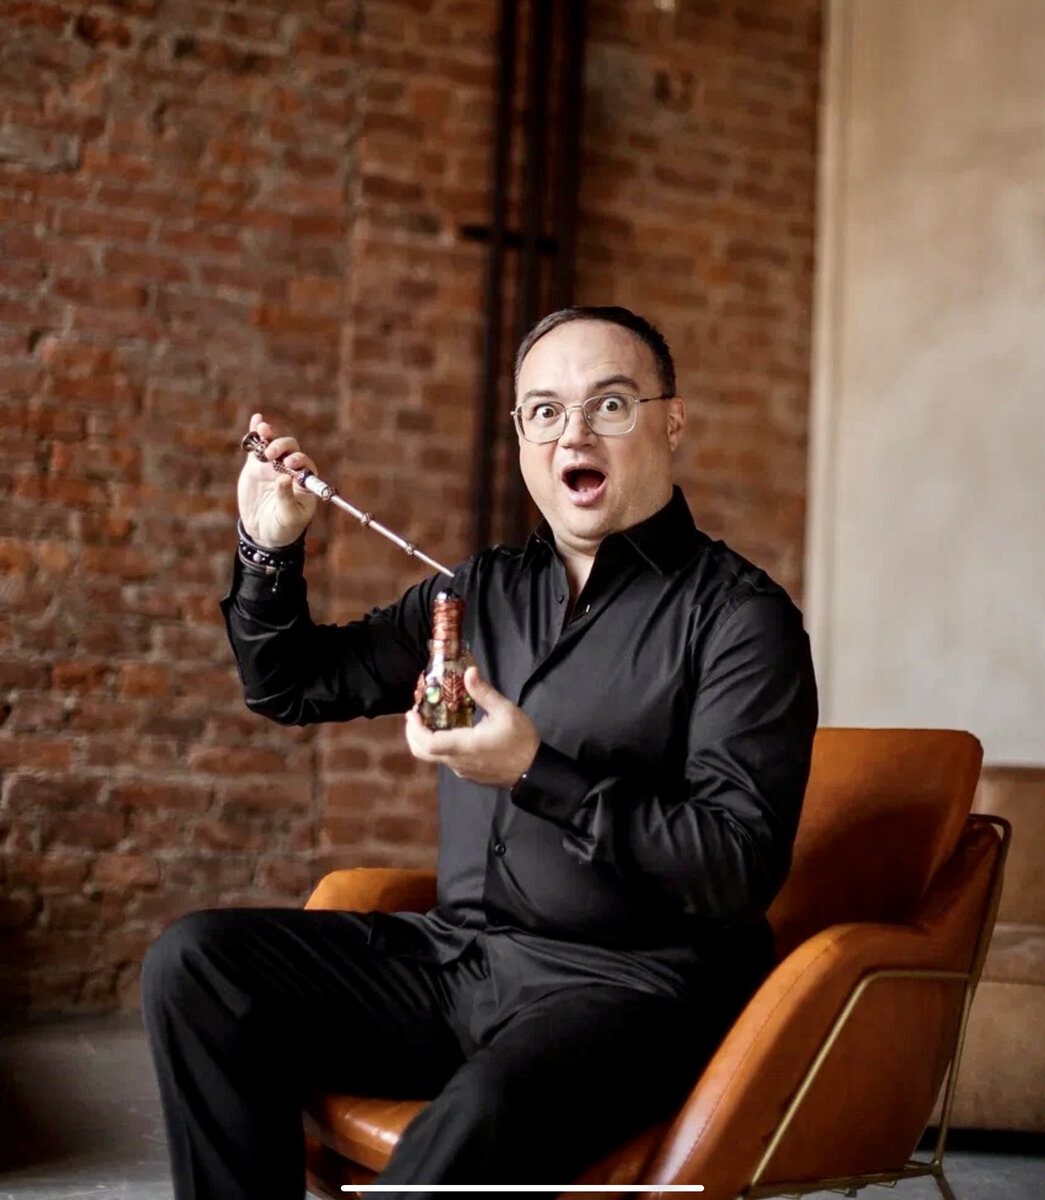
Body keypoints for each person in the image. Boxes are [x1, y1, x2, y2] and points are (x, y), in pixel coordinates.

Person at [142, 306, 818, 1200]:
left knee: (482, 1111)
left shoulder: (740, 619)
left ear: (671, 422)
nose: (573, 433)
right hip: (457, 962)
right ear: (521, 435)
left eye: (610, 406)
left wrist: (537, 773)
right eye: (545, 411)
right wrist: (268, 548)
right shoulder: (478, 589)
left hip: (633, 991)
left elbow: (734, 869)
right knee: (198, 965)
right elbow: (293, 684)